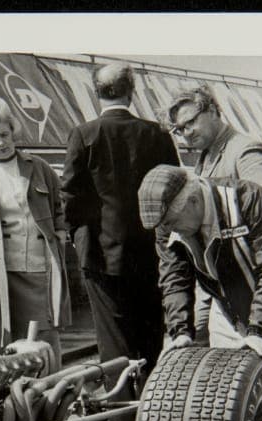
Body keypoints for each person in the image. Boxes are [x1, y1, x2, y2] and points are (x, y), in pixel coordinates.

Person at [138, 165, 262, 421]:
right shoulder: (166, 224)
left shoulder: (249, 200)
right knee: (228, 405)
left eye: (171, 221)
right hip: (228, 312)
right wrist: (180, 331)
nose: (168, 230)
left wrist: (260, 331)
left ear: (194, 201)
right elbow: (174, 277)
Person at [60, 63, 180, 376]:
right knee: (151, 334)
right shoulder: (157, 134)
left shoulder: (84, 135)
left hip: (100, 257)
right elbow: (175, 189)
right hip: (150, 254)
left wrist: (80, 239)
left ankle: (121, 417)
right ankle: (152, 407)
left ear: (95, 92)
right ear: (131, 91)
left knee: (113, 344)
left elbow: (70, 197)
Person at [167, 84, 262, 337]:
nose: (186, 134)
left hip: (253, 282)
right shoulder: (205, 155)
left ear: (212, 110)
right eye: (179, 129)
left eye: (190, 123)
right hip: (219, 282)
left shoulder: (244, 150)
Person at [0, 97, 70, 366]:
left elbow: (60, 205)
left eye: (4, 135)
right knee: (9, 341)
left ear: (13, 132)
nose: (0, 143)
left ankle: (54, 392)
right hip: (4, 275)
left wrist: (60, 233)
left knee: (46, 338)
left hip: (39, 268)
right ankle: (17, 402)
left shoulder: (39, 167)